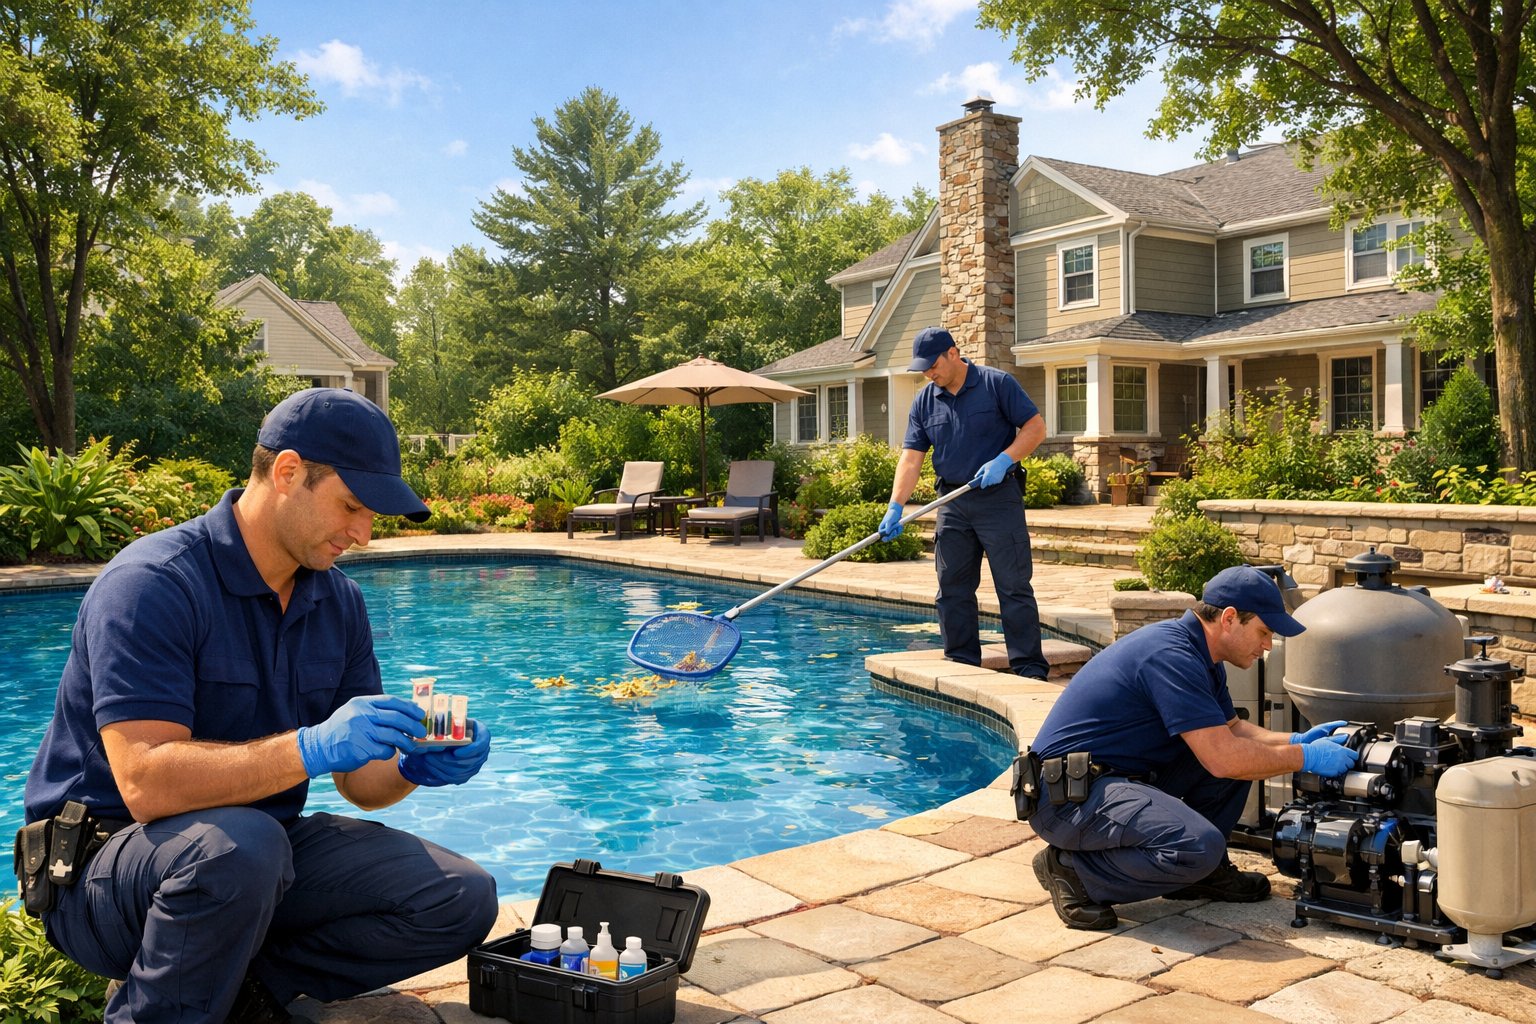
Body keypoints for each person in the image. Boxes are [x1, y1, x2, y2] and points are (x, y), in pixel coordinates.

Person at [20, 388, 499, 1023]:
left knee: (460, 897)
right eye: (352, 506)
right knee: (240, 848)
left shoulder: (339, 602)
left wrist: (413, 765)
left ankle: (250, 993)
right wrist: (311, 746)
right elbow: (145, 784)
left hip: (254, 854)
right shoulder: (153, 585)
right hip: (101, 870)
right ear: (287, 472)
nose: (362, 534)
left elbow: (360, 784)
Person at [1022, 565, 1359, 930]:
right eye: (1264, 632)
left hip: (1108, 780)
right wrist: (1306, 758)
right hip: (1066, 800)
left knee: (1239, 759)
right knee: (1197, 844)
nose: (1266, 646)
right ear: (1229, 618)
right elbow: (1223, 757)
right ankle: (1075, 873)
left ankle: (1199, 876)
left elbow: (1232, 731)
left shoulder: (1200, 653)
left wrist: (1296, 740)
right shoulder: (1171, 655)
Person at [879, 326, 1049, 679]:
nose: (929, 373)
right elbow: (911, 458)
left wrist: (1005, 459)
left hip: (998, 498)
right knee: (952, 587)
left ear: (953, 354)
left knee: (1013, 586)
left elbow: (1035, 427)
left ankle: (1029, 668)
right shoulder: (925, 401)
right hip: (953, 501)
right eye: (923, 368)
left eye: (932, 365)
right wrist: (895, 506)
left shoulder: (996, 384)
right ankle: (962, 661)